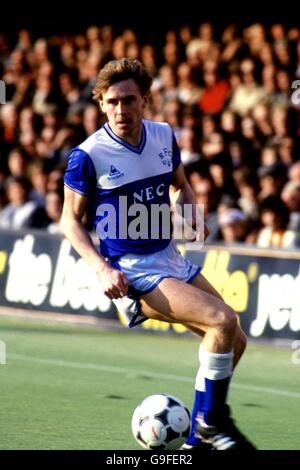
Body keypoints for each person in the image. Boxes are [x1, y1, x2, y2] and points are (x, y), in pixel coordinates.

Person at [61, 58, 255, 451]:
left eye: (129, 100)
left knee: (235, 341)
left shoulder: (164, 135)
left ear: (145, 100)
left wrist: (190, 214)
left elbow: (180, 185)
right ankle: (209, 423)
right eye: (112, 101)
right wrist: (100, 270)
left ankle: (196, 442)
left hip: (170, 259)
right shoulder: (88, 155)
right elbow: (69, 221)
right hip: (133, 273)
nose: (121, 109)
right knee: (222, 319)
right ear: (100, 104)